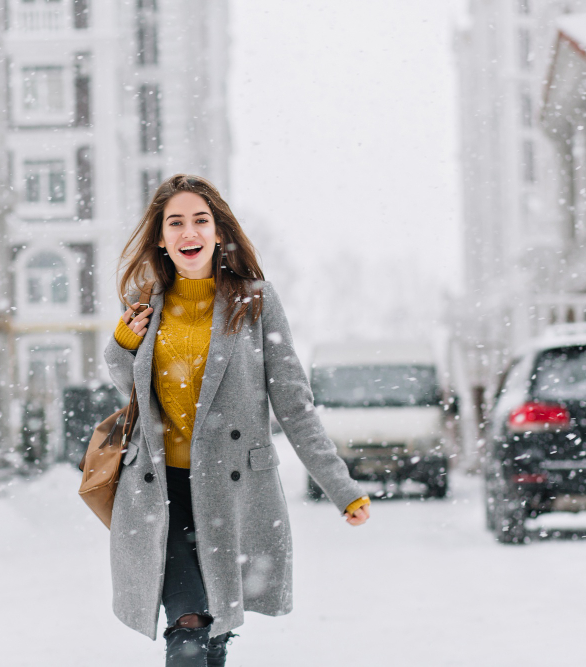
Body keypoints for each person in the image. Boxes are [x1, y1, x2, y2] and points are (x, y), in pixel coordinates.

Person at [105, 174, 370, 666]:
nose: (189, 233)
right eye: (176, 222)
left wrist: (341, 487)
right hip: (161, 495)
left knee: (212, 633)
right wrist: (122, 343)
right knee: (188, 631)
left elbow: (293, 404)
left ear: (218, 232)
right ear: (161, 238)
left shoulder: (255, 301)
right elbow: (134, 393)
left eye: (200, 221)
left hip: (234, 493)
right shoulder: (146, 304)